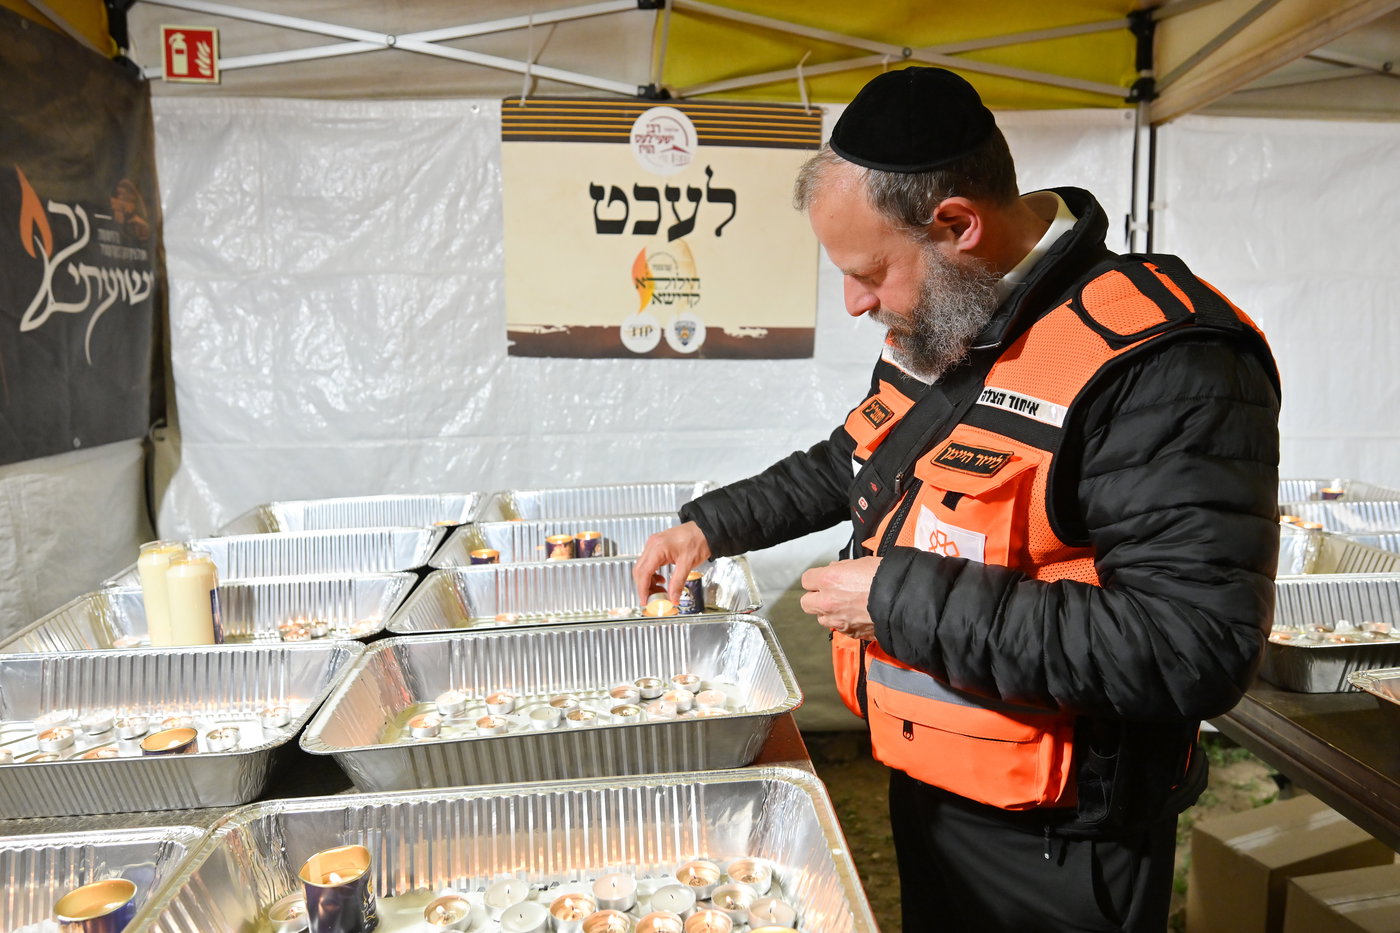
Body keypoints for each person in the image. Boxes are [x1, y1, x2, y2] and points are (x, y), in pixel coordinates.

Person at [634, 66, 1280, 932]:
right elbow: (859, 455)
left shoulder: (1168, 365)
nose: (858, 303)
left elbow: (1190, 645)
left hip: (1062, 842)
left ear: (957, 225)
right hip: (932, 781)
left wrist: (895, 598)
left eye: (869, 271)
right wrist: (711, 524)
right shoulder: (952, 316)